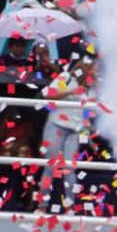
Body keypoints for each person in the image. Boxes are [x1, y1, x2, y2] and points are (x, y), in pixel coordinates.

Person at [39, 53, 95, 211]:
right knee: (50, 166)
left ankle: (70, 207)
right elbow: (48, 95)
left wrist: (88, 134)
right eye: (85, 68)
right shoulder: (65, 78)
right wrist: (71, 92)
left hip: (75, 130)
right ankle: (41, 206)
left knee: (70, 167)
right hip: (56, 125)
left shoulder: (91, 90)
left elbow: (87, 113)